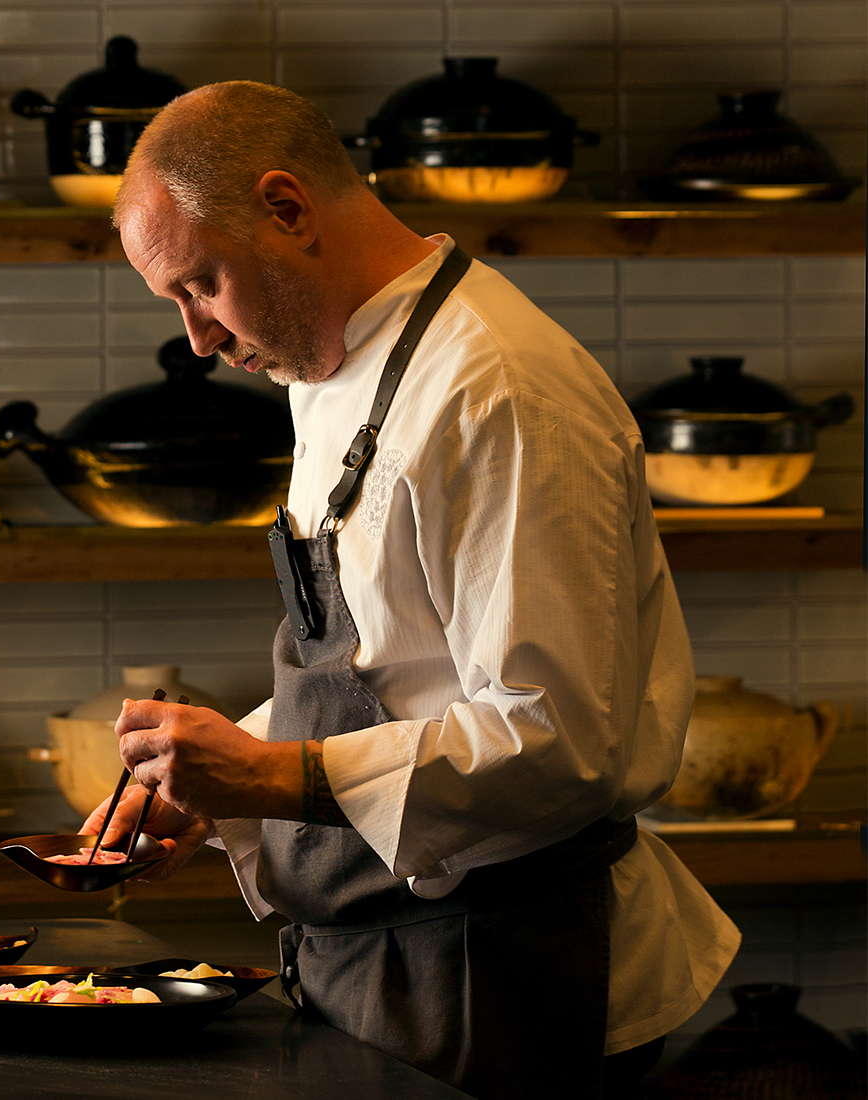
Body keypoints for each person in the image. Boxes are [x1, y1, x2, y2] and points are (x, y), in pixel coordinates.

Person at [83, 81, 740, 1100]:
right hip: (378, 952)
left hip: (508, 964)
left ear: (289, 210)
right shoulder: (322, 362)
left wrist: (271, 779)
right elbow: (385, 661)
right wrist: (215, 782)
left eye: (202, 284)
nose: (200, 338)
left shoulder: (500, 389)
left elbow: (559, 739)